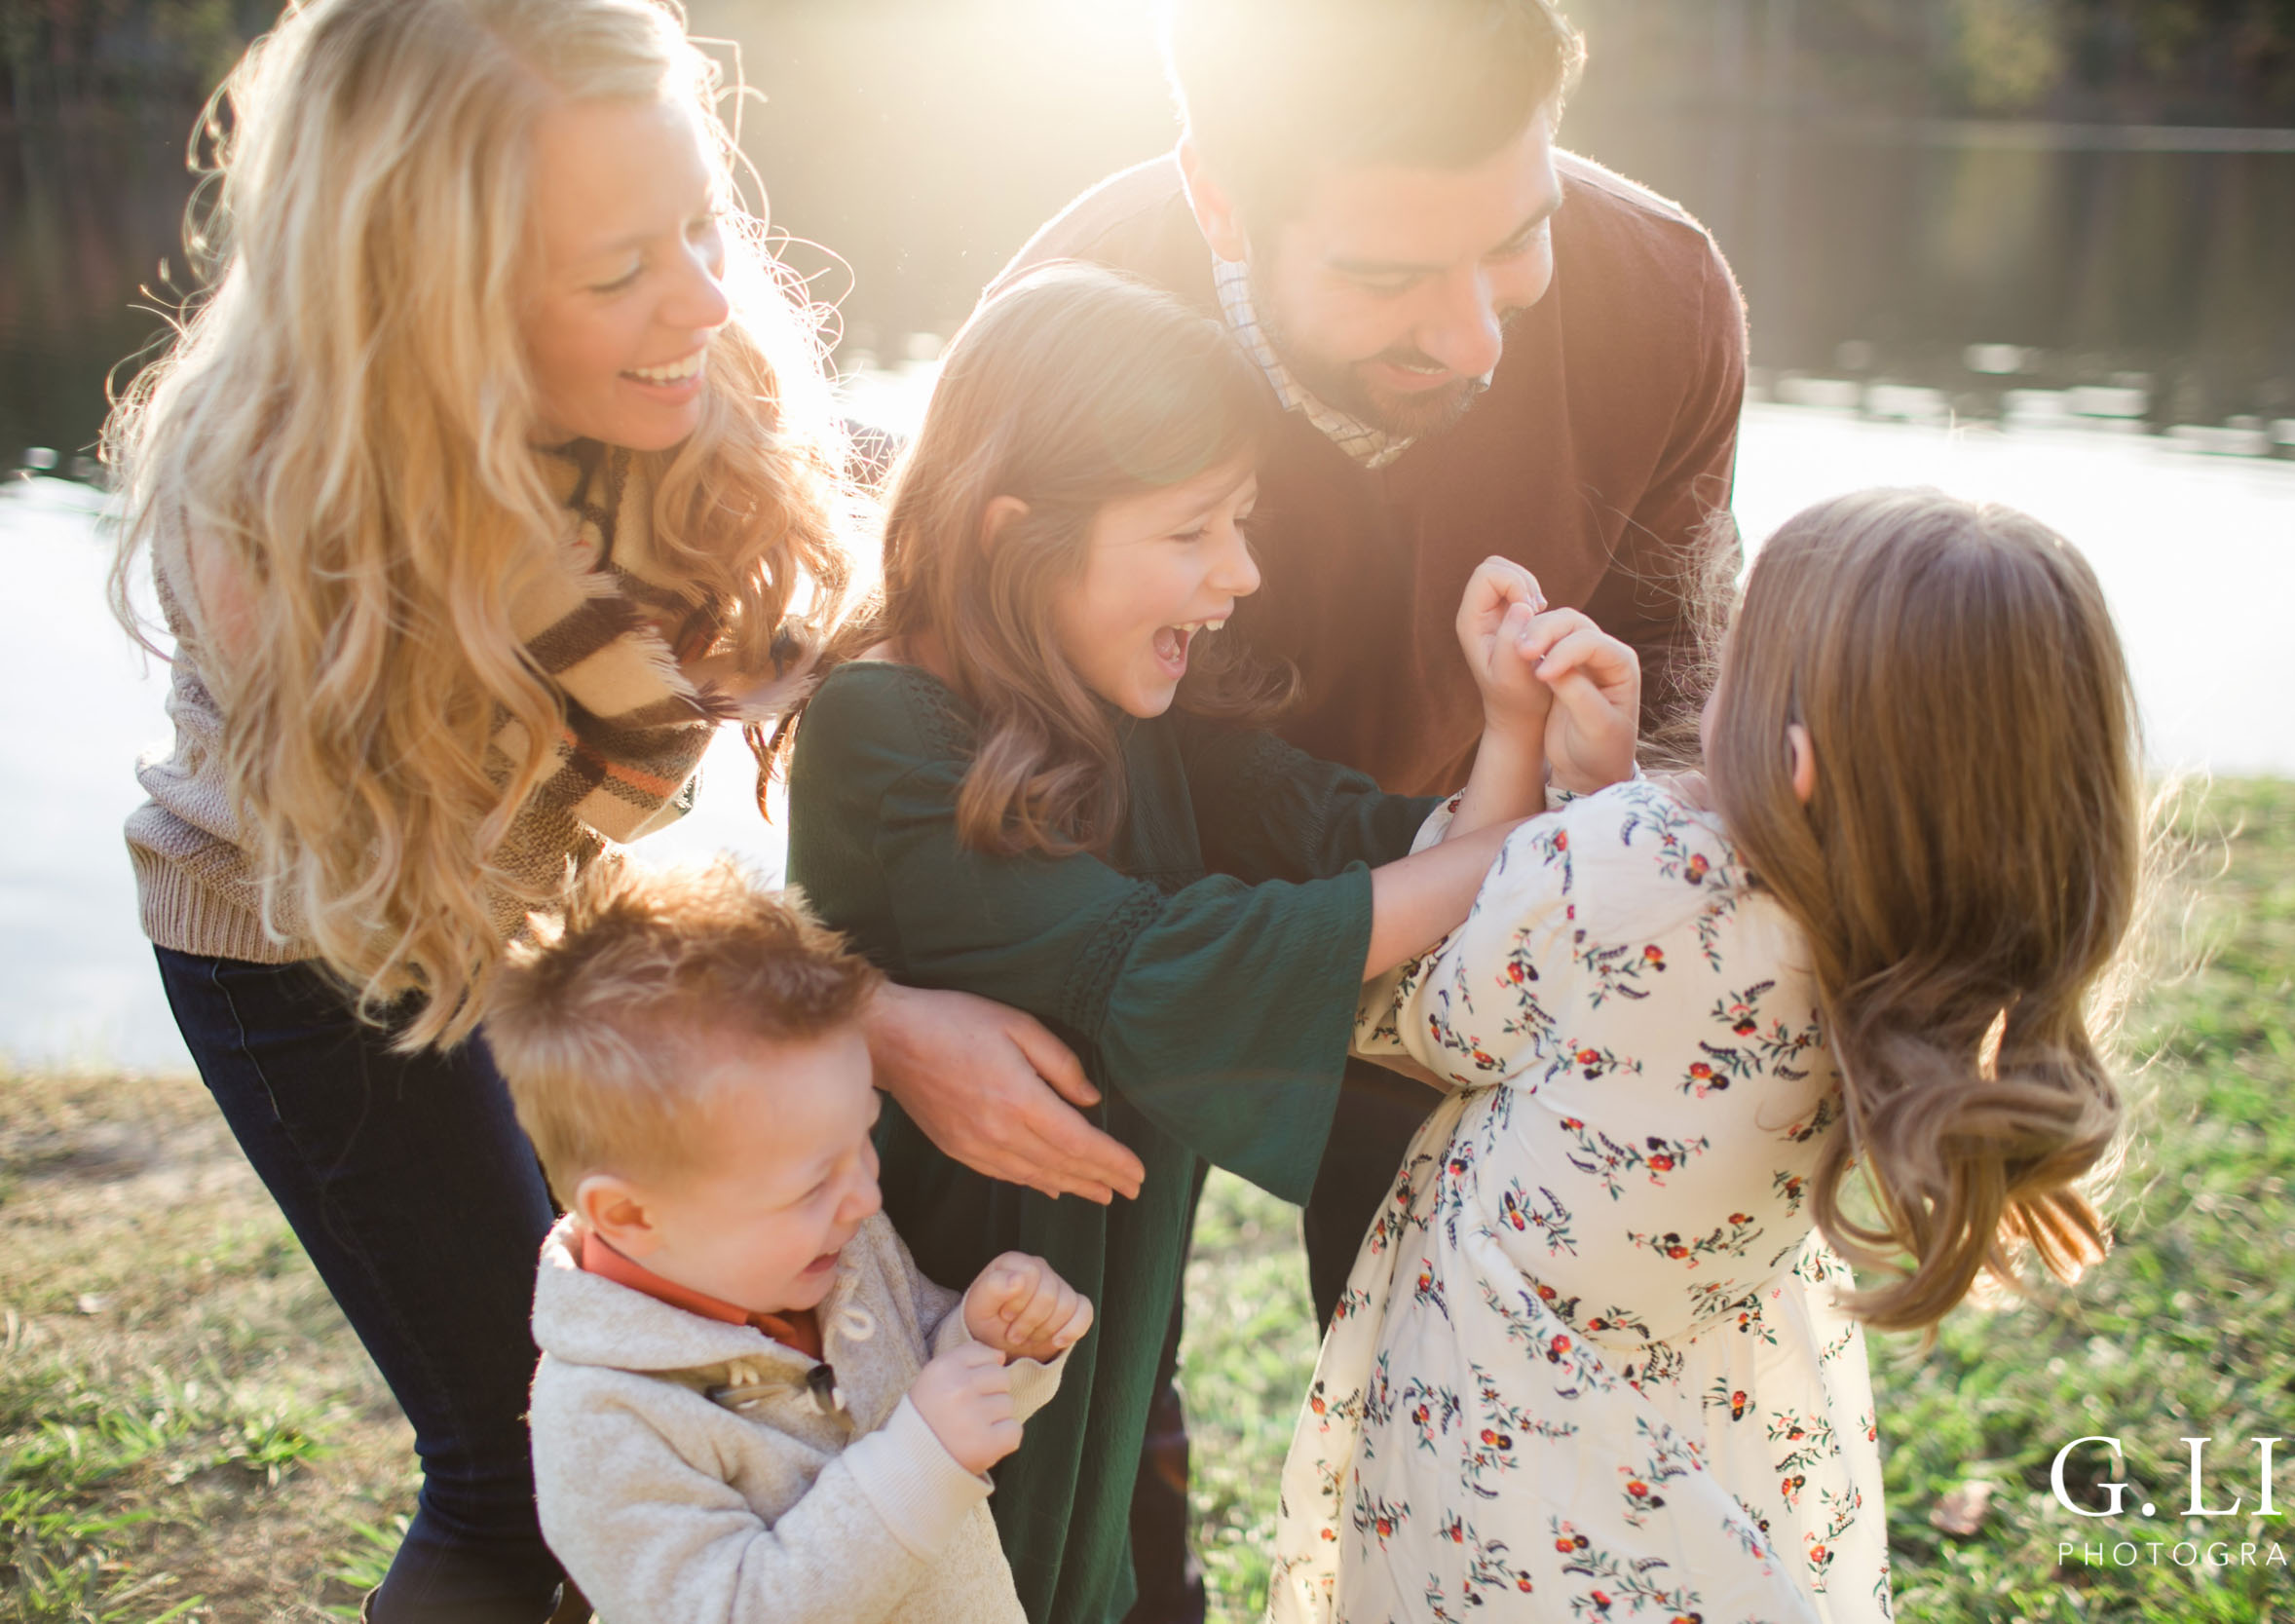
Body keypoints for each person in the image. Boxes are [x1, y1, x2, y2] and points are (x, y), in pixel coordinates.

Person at [104, 3, 1124, 1617]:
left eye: (703, 225)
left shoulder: (698, 379)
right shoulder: (291, 544)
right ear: (428, 303)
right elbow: (469, 923)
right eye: (619, 269)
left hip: (544, 895)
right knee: (527, 1468)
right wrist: (867, 1022)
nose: (707, 297)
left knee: (716, 1406)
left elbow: (869, 544)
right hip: (319, 939)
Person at [782, 263, 1644, 1624]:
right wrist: (1526, 845)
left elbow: (1376, 854)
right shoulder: (883, 724)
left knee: (1085, 1575)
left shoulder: (1149, 712)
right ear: (1021, 533)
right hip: (907, 1328)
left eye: (1240, 521)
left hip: (1087, 1320)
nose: (1240, 573)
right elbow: (1149, 966)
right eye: (1193, 531)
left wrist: (1514, 737)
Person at [1268, 489, 2148, 1623]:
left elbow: (1424, 1011)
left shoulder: (1633, 870)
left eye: (1733, 658)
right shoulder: (1912, 950)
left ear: (1796, 761)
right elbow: (1666, 985)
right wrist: (1607, 797)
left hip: (1505, 1463)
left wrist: (1521, 745)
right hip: (1699, 1439)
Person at [482, 858, 1092, 1624]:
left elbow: (916, 1387)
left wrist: (983, 1341)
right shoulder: (607, 1421)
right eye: (813, 1183)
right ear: (632, 1215)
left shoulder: (835, 1248)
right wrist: (922, 1460)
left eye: (863, 1140)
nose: (866, 1195)